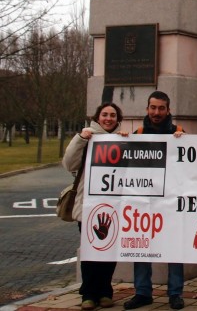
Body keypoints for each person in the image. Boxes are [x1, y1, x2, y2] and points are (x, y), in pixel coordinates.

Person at [62, 102, 128, 310]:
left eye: (113, 115)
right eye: (105, 114)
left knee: (109, 251)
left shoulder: (123, 138)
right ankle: (88, 294)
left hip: (114, 205)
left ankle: (105, 291)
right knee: (91, 250)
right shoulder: (86, 137)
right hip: (89, 204)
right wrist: (80, 139)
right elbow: (69, 164)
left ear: (118, 119)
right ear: (97, 117)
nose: (108, 118)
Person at [124, 91, 186, 310]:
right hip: (144, 201)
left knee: (174, 247)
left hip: (170, 201)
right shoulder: (138, 133)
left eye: (161, 108)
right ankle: (142, 292)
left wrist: (184, 142)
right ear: (147, 109)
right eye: (153, 108)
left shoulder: (179, 132)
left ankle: (175, 293)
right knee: (141, 245)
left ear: (168, 110)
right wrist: (121, 141)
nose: (157, 112)